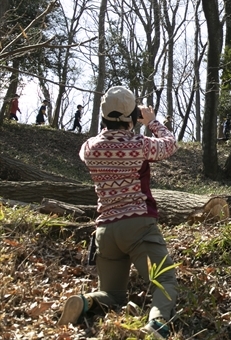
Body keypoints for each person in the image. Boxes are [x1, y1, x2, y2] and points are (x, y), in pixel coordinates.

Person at [57, 86, 178, 339]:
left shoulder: (89, 147)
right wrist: (152, 121)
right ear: (133, 117)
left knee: (113, 295)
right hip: (138, 226)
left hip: (105, 231)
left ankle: (86, 301)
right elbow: (170, 145)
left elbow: (102, 140)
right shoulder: (139, 145)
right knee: (164, 281)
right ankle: (156, 327)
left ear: (102, 116)